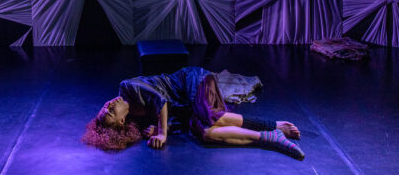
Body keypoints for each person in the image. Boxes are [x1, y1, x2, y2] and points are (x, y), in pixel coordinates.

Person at [82, 66, 304, 160]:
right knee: (207, 133)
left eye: (104, 107)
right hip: (188, 107)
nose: (108, 105)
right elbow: (174, 120)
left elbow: (161, 100)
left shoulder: (127, 87)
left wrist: (162, 133)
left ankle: (272, 124)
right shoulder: (139, 121)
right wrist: (162, 128)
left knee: (210, 117)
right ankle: (269, 137)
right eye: (109, 113)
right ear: (121, 121)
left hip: (192, 81)